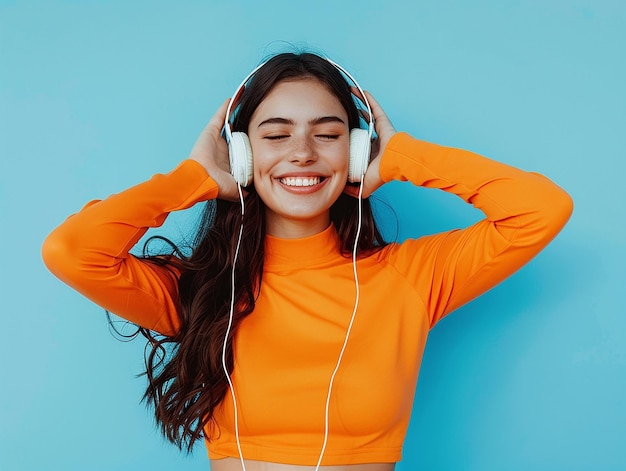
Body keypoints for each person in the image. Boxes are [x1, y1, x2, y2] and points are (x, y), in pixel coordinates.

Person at [42, 52, 573, 471]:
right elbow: (71, 251)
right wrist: (195, 179)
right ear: (244, 156)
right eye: (275, 136)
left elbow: (542, 210)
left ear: (357, 152)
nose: (302, 153)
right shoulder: (203, 291)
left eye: (327, 134)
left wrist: (408, 156)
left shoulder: (412, 278)